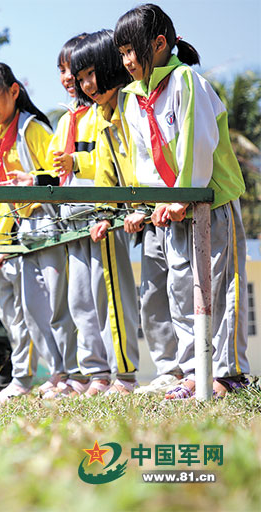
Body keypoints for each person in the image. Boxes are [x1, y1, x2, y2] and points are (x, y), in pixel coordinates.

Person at [114, 4, 249, 398]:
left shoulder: (185, 81)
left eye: (132, 51)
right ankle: (194, 371)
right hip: (172, 212)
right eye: (121, 53)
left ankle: (228, 374)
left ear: (159, 44)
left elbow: (197, 140)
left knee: (218, 287)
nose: (127, 61)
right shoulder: (133, 98)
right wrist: (154, 203)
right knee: (180, 289)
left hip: (210, 202)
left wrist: (185, 195)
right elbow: (143, 158)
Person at [0, 63, 76, 401]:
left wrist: (33, 180)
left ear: (14, 91)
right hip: (22, 234)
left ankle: (74, 374)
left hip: (49, 225)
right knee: (34, 310)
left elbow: (59, 174)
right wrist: (1, 241)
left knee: (58, 304)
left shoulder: (32, 128)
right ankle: (57, 373)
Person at [65, 29, 140, 395]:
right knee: (86, 299)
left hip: (152, 209)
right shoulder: (100, 112)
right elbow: (107, 169)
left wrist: (120, 209)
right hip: (107, 215)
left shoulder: (133, 104)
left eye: (91, 73)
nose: (86, 84)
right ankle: (103, 374)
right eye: (79, 78)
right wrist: (104, 212)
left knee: (121, 295)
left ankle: (127, 376)